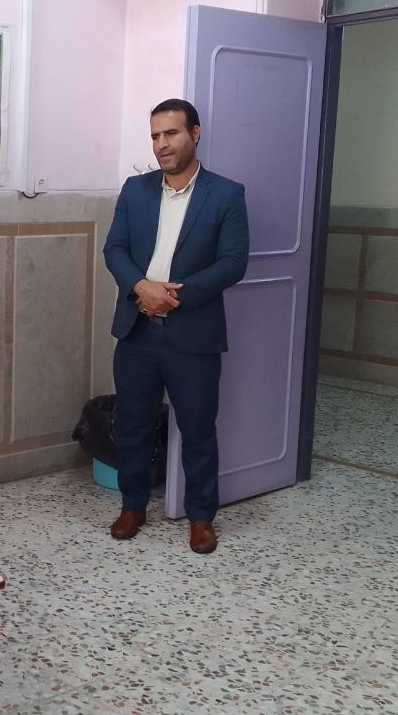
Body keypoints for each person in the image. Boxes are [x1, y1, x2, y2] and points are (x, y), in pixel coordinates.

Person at [103, 98, 250, 554]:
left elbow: (233, 263)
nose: (161, 144)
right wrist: (140, 287)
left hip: (193, 335)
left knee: (198, 428)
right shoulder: (136, 190)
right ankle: (132, 505)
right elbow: (114, 249)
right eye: (155, 136)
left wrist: (175, 296)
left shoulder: (226, 194)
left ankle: (201, 516)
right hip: (138, 330)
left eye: (171, 133)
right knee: (133, 424)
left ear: (195, 134)